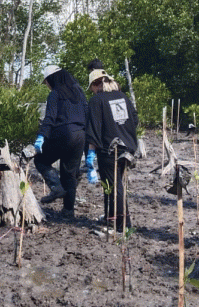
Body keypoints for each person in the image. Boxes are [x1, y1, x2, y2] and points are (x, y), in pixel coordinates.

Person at [32, 65, 88, 218]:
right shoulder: (79, 93)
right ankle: (68, 211)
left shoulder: (55, 94)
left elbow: (49, 118)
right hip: (80, 135)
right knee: (70, 173)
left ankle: (56, 187)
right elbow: (87, 115)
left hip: (64, 134)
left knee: (40, 161)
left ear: (52, 79)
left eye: (47, 82)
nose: (47, 86)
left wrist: (41, 137)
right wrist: (88, 149)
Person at [86, 69, 138, 230]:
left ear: (96, 84)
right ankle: (111, 218)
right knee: (115, 185)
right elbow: (134, 120)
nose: (92, 91)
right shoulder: (123, 97)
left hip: (109, 149)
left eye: (92, 88)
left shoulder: (97, 100)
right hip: (128, 148)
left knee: (114, 186)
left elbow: (94, 128)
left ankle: (122, 225)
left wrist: (90, 153)